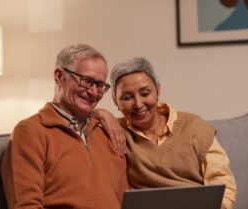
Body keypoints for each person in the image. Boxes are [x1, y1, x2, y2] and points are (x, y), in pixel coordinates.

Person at [95, 57, 237, 209]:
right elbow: (77, 119)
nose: (138, 104)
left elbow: (222, 182)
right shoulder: (115, 131)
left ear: (158, 91)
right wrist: (101, 113)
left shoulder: (194, 126)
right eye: (127, 97)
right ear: (116, 102)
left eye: (145, 93)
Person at [0, 43, 128, 209]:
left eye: (100, 85)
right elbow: (25, 205)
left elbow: (127, 202)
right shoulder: (29, 132)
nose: (94, 92)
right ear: (59, 77)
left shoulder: (110, 133)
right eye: (87, 81)